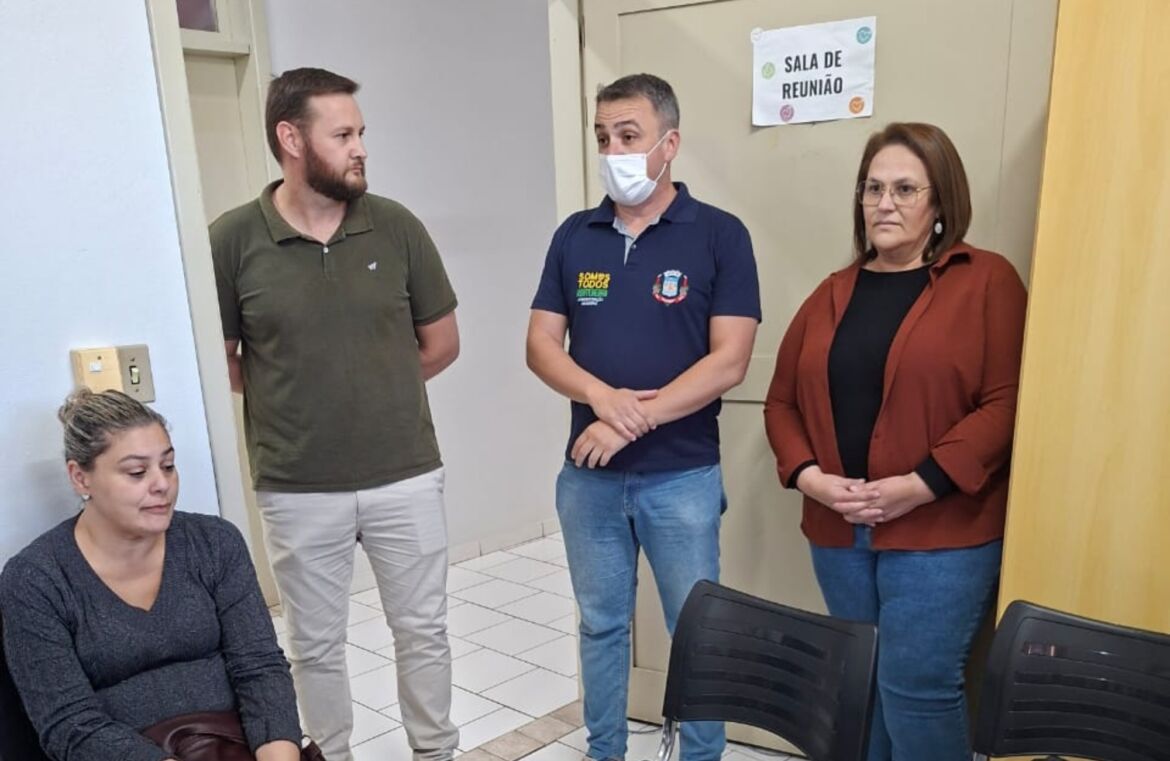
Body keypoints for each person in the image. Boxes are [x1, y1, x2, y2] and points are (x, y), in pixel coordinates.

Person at [210, 67, 460, 761]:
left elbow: (441, 343)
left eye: (360, 133)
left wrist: (376, 384)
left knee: (423, 631)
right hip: (295, 485)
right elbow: (222, 357)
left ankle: (436, 753)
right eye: (343, 134)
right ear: (292, 139)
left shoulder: (396, 226)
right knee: (314, 645)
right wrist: (299, 391)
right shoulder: (232, 239)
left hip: (405, 476)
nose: (360, 149)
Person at [763, 122, 1028, 760]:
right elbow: (781, 403)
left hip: (942, 531)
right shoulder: (831, 293)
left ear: (940, 203)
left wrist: (920, 484)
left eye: (906, 189)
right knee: (864, 687)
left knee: (917, 689)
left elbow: (1008, 401)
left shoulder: (987, 281)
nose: (885, 203)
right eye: (873, 188)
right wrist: (810, 478)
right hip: (840, 531)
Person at [526, 73, 761, 761]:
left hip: (680, 477)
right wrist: (603, 400)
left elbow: (729, 361)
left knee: (698, 631)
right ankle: (604, 751)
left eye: (629, 136)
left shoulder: (720, 235)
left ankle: (702, 756)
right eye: (603, 137)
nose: (614, 151)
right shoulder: (576, 235)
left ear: (670, 144)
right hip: (589, 480)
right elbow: (541, 345)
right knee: (601, 626)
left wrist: (630, 420)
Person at [0, 389, 303, 761]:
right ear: (80, 478)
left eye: (168, 466)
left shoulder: (214, 543)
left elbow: (260, 667)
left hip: (238, 746)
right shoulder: (35, 580)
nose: (162, 484)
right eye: (137, 472)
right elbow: (69, 725)